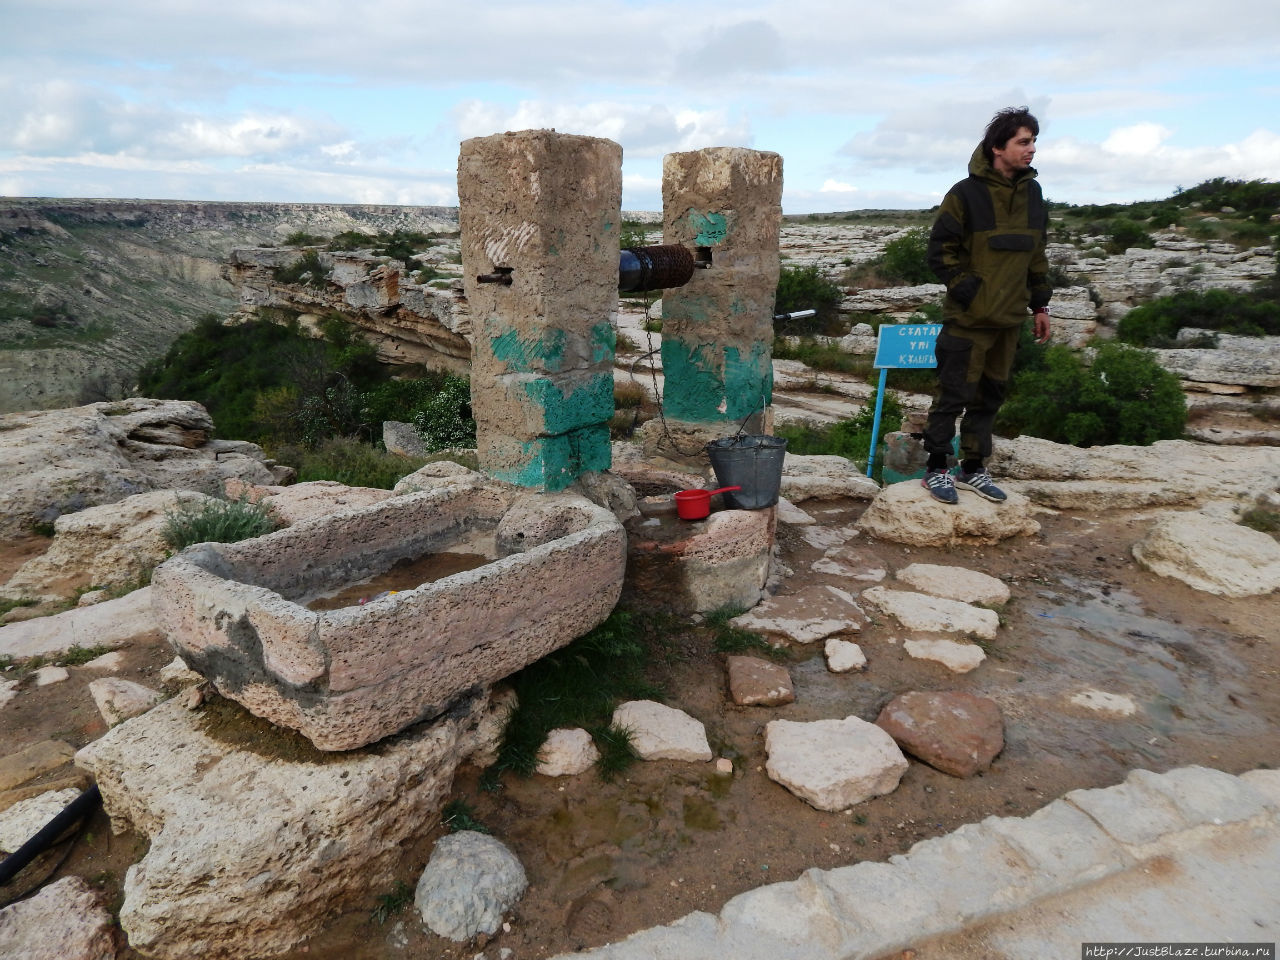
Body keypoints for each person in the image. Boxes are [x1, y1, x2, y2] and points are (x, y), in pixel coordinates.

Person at [921, 106, 1052, 505]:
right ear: (998, 146)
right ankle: (937, 467)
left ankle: (974, 467)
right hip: (969, 319)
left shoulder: (1033, 194)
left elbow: (1037, 256)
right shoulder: (965, 194)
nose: (1031, 150)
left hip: (1009, 320)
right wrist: (970, 291)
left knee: (990, 396)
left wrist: (1040, 306)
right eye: (1023, 142)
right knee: (952, 395)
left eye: (1033, 142)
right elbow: (939, 253)